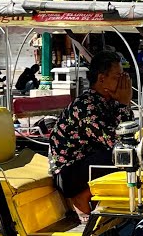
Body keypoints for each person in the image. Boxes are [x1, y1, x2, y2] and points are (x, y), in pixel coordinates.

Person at [45, 51, 132, 222]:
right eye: (117, 77)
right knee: (121, 156)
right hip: (67, 174)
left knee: (129, 154)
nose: (123, 82)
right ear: (101, 79)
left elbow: (128, 133)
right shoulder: (85, 106)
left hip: (87, 164)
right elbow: (114, 141)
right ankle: (81, 197)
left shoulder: (109, 102)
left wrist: (124, 104)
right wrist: (123, 104)